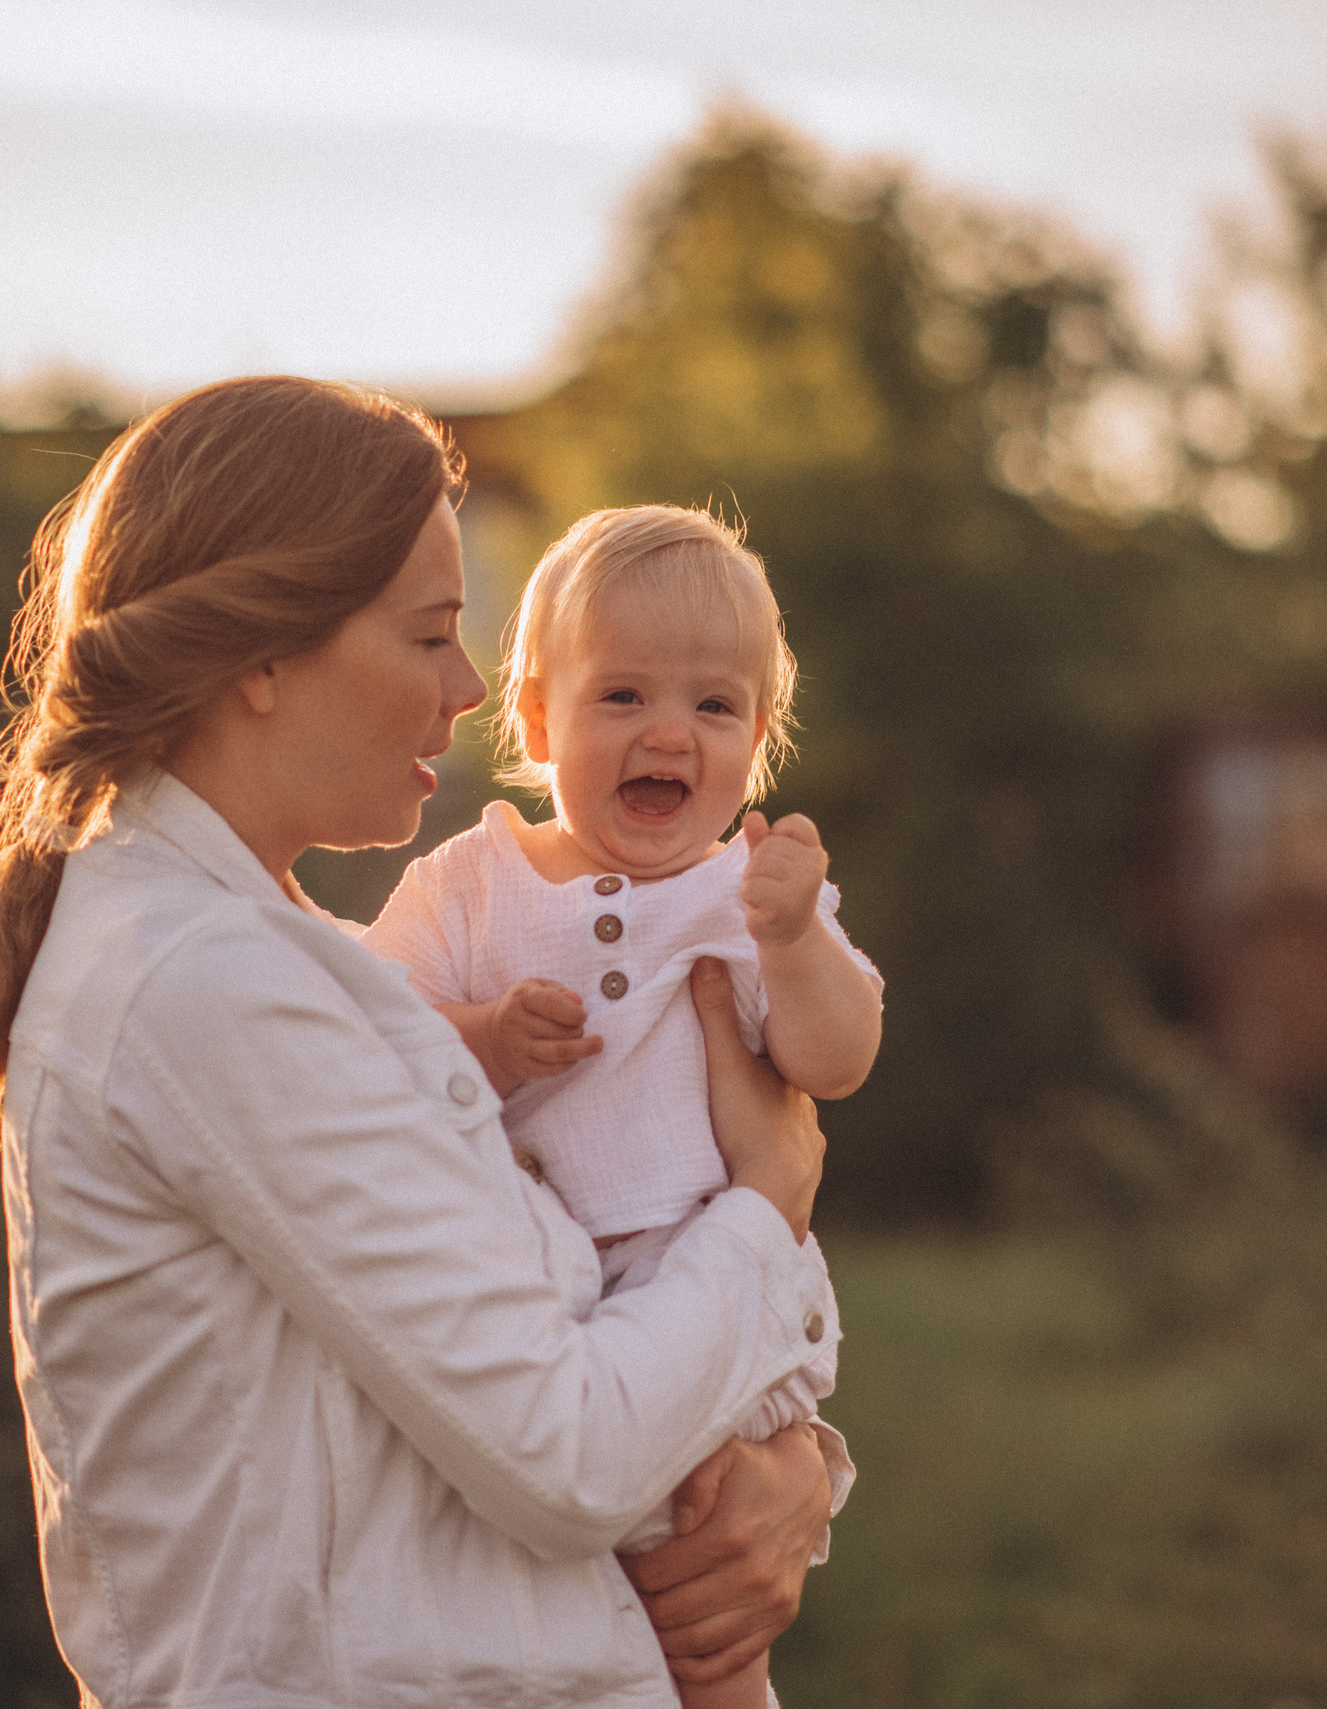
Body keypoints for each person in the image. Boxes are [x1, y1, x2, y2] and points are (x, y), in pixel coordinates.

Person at [0, 376, 849, 1707]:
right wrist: (769, 1205)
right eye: (428, 636)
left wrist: (788, 1474)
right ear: (264, 657)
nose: (469, 689)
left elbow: (541, 1353)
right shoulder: (208, 988)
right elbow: (569, 1453)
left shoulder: (291, 961)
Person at [363, 506, 884, 1709]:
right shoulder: (465, 883)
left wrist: (797, 936)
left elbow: (837, 1054)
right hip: (534, 1303)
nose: (669, 732)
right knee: (566, 1605)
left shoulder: (742, 894)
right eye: (622, 698)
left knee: (707, 1619)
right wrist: (486, 1038)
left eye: (714, 706)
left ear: (758, 739)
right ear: (536, 718)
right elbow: (377, 1033)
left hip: (703, 1283)